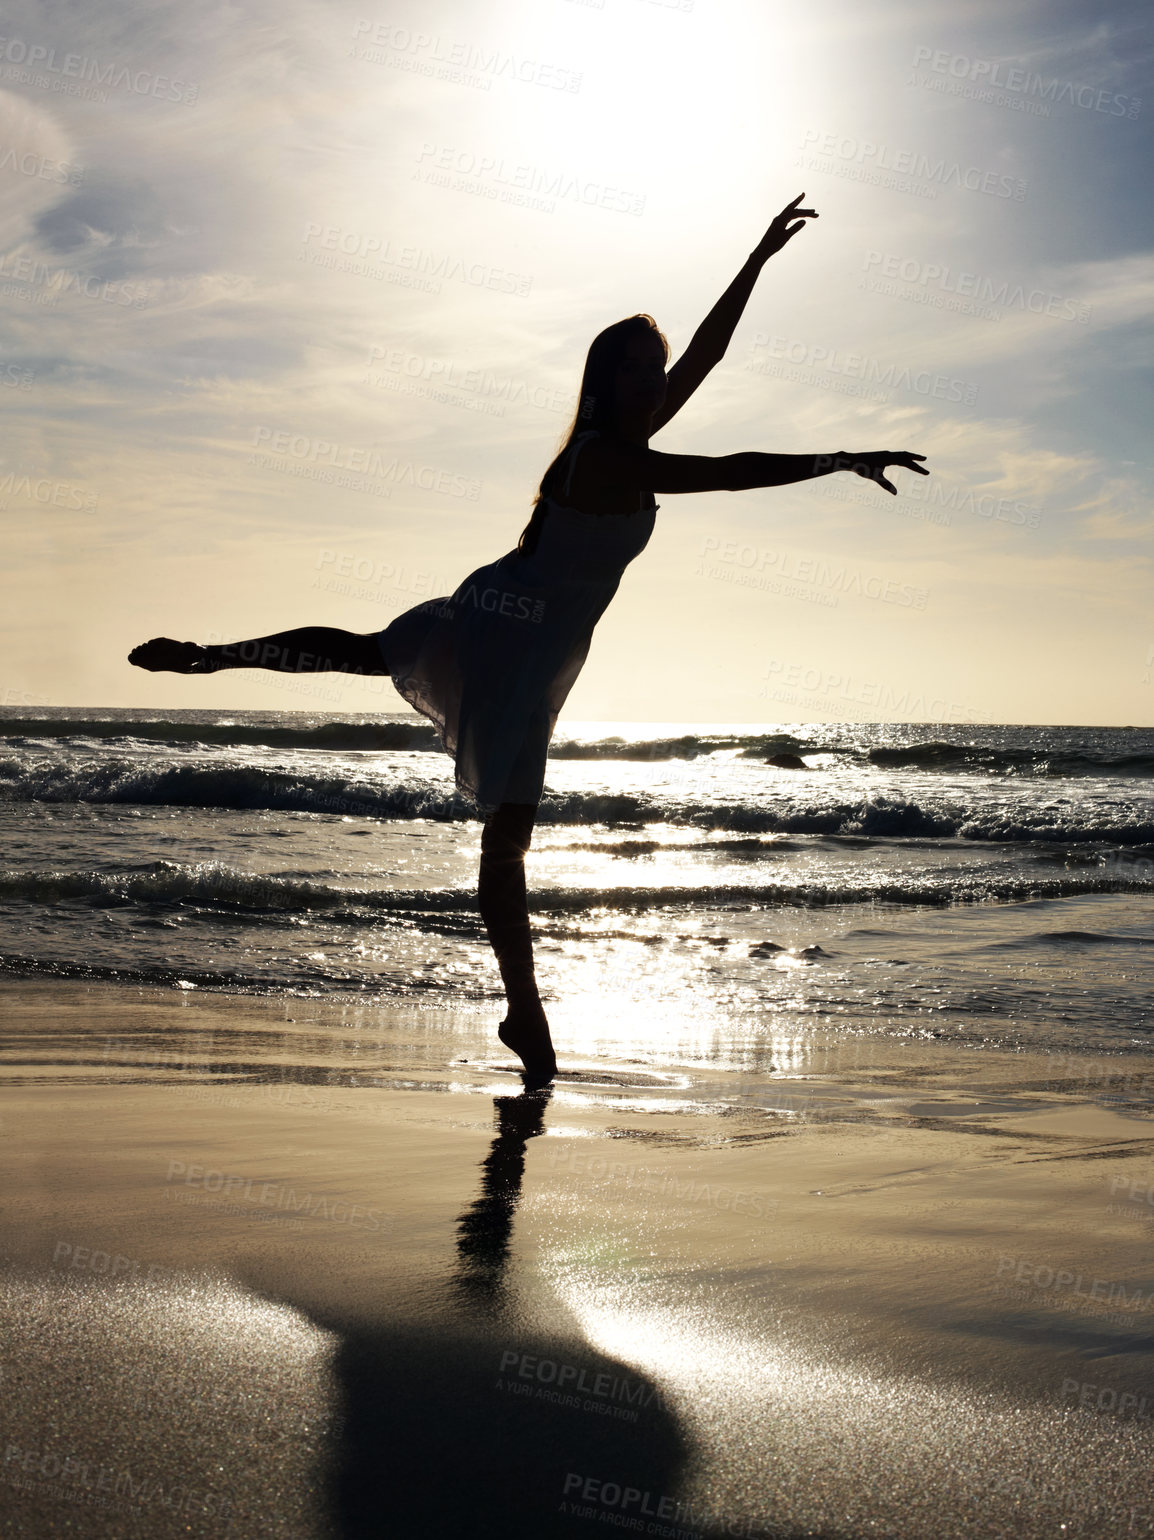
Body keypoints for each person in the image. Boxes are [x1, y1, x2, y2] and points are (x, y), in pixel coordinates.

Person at [129, 193, 928, 1085]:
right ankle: (215, 656)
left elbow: (707, 353)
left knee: (462, 777)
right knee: (386, 675)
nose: (649, 380)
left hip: (545, 654)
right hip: (503, 626)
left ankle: (523, 1012)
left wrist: (755, 262)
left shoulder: (635, 434)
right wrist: (837, 458)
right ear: (600, 382)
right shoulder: (601, 456)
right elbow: (732, 474)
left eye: (651, 369)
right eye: (631, 369)